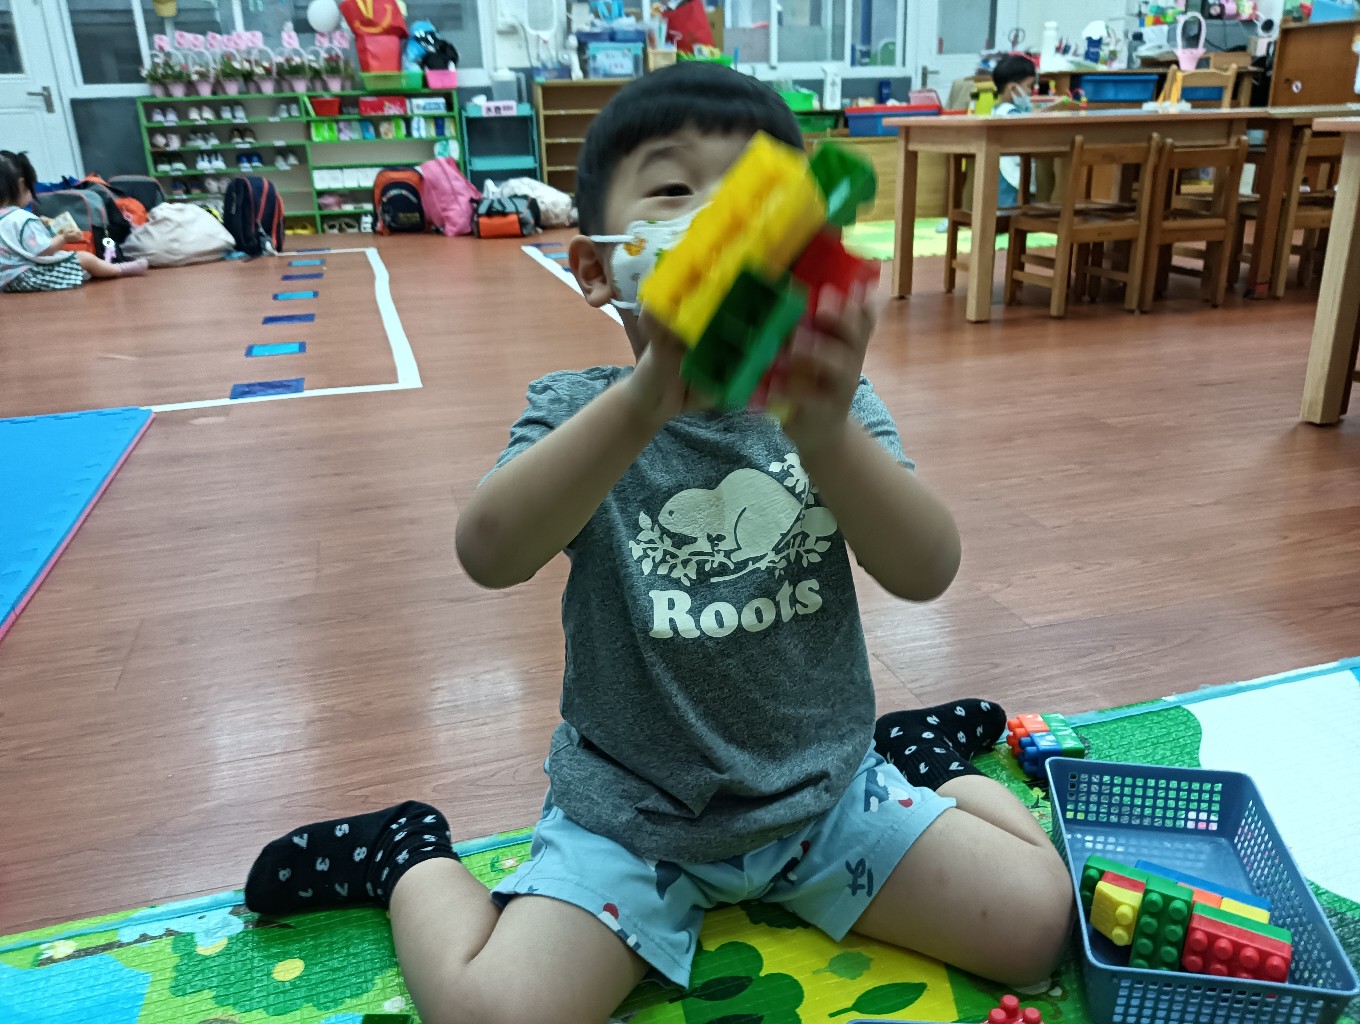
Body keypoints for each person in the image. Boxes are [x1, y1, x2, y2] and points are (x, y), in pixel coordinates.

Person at [242, 62, 1074, 1024]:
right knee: (492, 1013)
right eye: (677, 189)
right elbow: (488, 552)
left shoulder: (832, 410)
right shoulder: (576, 410)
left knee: (1039, 922)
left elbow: (927, 571)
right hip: (633, 821)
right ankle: (405, 856)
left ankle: (924, 762)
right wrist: (646, 399)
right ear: (595, 268)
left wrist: (824, 426)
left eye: (759, 199)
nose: (721, 221)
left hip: (825, 798)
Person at [0, 150, 147, 293]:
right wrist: (64, 238)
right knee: (84, 258)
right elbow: (43, 249)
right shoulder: (23, 218)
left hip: (5, 281)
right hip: (28, 278)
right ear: (21, 184)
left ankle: (88, 271)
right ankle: (119, 269)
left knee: (67, 259)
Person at [990, 54, 1040, 208]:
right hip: (1012, 179)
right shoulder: (1008, 114)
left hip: (1010, 177)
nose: (1031, 92)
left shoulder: (999, 110)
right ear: (1013, 88)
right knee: (1011, 212)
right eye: (1029, 86)